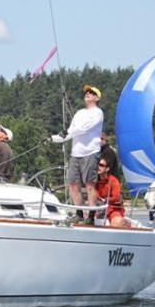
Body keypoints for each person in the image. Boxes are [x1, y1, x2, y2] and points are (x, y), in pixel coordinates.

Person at [51, 84, 104, 225]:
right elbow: (71, 130)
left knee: (89, 184)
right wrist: (54, 138)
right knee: (73, 184)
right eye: (86, 92)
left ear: (97, 98)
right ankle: (79, 213)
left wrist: (67, 133)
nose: (87, 94)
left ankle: (91, 215)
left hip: (90, 152)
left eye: (91, 93)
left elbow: (84, 129)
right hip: (76, 153)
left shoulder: (98, 113)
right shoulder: (79, 113)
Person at [95, 156, 127, 227]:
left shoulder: (113, 181)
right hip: (99, 209)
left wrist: (105, 200)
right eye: (97, 164)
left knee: (118, 223)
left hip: (113, 209)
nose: (98, 167)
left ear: (107, 169)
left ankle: (124, 223)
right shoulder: (94, 182)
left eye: (101, 165)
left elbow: (116, 197)